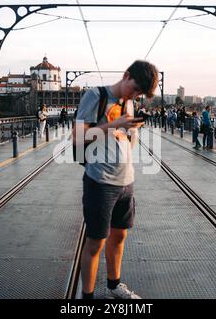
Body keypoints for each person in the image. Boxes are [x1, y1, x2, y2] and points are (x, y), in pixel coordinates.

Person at [73, 60, 159, 299]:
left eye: (140, 93)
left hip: (126, 181)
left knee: (119, 236)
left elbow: (128, 143)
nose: (135, 94)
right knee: (95, 242)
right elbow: (79, 137)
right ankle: (87, 298)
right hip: (100, 181)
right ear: (126, 75)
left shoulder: (130, 104)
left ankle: (114, 286)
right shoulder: (95, 96)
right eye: (135, 88)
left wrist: (132, 130)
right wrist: (116, 124)